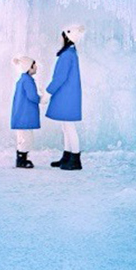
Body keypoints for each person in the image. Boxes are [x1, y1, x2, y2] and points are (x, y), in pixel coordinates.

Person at [45, 25, 85, 171]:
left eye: (62, 35)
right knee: (66, 127)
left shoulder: (67, 54)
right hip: (67, 94)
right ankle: (67, 156)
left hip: (66, 95)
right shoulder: (71, 52)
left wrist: (48, 92)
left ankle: (75, 159)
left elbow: (60, 77)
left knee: (69, 127)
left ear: (67, 37)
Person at [10, 56, 41, 168]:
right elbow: (32, 96)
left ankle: (21, 158)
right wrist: (41, 98)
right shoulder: (27, 80)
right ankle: (22, 160)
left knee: (22, 137)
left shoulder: (22, 80)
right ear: (29, 67)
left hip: (21, 115)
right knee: (26, 138)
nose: (36, 67)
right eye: (34, 65)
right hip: (25, 115)